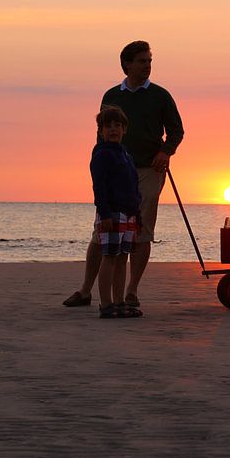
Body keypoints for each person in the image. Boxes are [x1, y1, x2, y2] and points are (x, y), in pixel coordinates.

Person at [63, 40, 184, 310]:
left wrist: (166, 152)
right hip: (114, 168)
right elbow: (101, 133)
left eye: (150, 61)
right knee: (101, 231)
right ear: (127, 64)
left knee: (141, 231)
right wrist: (99, 160)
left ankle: (131, 292)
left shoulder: (161, 95)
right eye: (142, 61)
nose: (147, 66)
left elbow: (176, 130)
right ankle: (85, 291)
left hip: (149, 169)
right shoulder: (111, 95)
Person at [91, 106, 143, 318]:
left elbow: (134, 187)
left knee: (123, 258)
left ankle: (120, 301)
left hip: (129, 213)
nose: (113, 129)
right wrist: (105, 215)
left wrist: (137, 217)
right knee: (109, 257)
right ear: (101, 131)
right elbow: (99, 187)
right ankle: (106, 304)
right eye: (108, 126)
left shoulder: (126, 156)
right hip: (111, 213)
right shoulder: (102, 154)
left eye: (117, 126)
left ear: (124, 129)